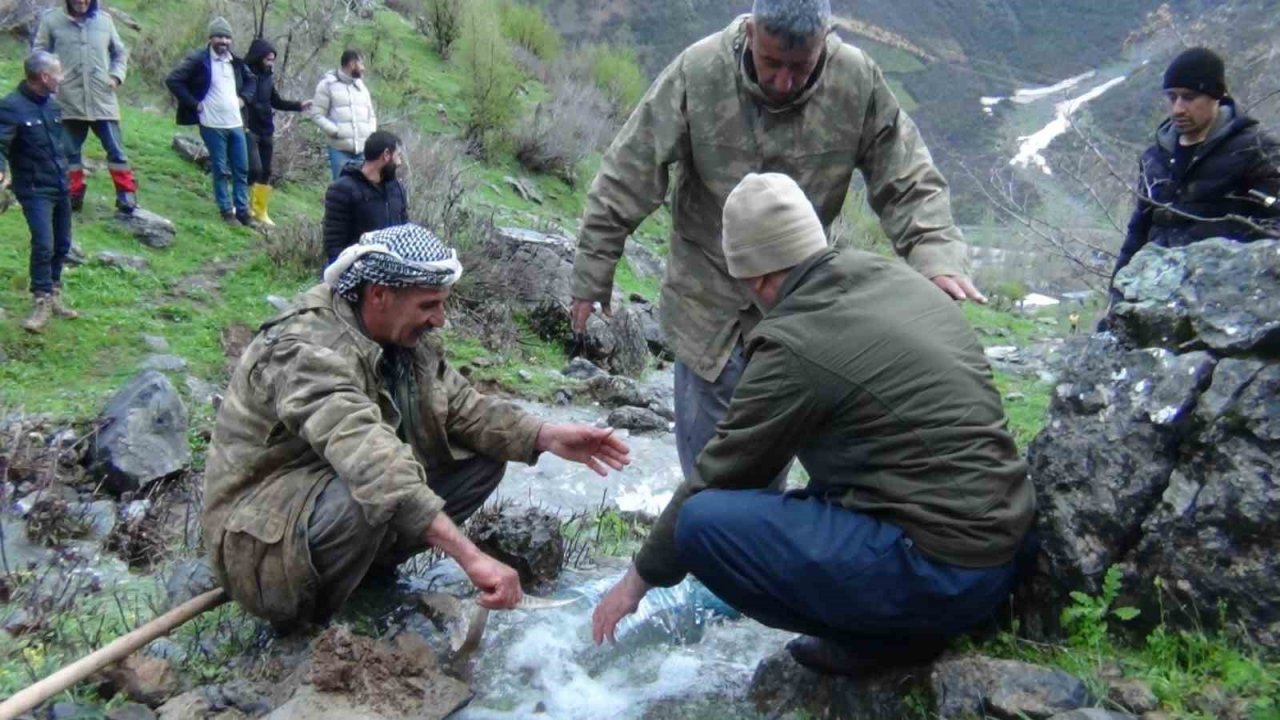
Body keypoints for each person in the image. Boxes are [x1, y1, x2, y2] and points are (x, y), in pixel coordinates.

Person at [591, 174, 1034, 677]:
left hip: (942, 574)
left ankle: (880, 642)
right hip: (1005, 548)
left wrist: (636, 581)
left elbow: (720, 475)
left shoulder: (794, 343)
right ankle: (903, 619)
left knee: (704, 524)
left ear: (755, 278)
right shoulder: (896, 280)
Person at [569, 0, 983, 485]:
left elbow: (908, 177)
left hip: (804, 309)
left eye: (800, 66)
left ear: (825, 40)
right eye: (772, 63)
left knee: (821, 475)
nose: (784, 82)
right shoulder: (700, 71)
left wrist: (935, 255)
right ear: (751, 30)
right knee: (714, 480)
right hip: (711, 305)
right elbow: (629, 171)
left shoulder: (856, 80)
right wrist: (593, 269)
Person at [203, 224, 631, 628]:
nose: (440, 319)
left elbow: (465, 408)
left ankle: (365, 570)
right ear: (379, 295)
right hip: (256, 540)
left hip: (320, 504)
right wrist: (469, 556)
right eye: (429, 305)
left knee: (483, 455)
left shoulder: (403, 339)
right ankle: (313, 609)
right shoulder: (308, 350)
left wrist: (546, 435)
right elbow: (370, 459)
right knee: (372, 488)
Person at [1112, 47, 1280, 290]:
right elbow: (1138, 232)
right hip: (1156, 293)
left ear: (1215, 96)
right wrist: (1117, 293)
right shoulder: (1155, 158)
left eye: (1189, 97)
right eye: (1172, 97)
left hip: (1226, 295)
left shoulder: (1255, 150)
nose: (1178, 108)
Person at [0, 51, 81, 333]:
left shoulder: (52, 106)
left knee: (62, 243)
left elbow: (60, 146)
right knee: (44, 243)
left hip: (59, 184)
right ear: (45, 77)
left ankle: (55, 292)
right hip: (34, 188)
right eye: (58, 73)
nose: (62, 77)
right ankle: (41, 299)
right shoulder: (10, 107)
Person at [34, 0, 137, 213]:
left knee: (116, 150)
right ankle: (73, 194)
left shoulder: (105, 21)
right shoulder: (51, 20)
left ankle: (126, 194)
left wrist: (116, 77)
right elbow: (39, 54)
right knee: (68, 152)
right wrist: (49, 80)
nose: (81, 1)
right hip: (67, 98)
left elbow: (120, 54)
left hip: (102, 99)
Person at [165, 17, 256, 226]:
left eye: (226, 37)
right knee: (220, 168)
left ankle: (243, 211)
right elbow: (173, 80)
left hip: (235, 122)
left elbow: (252, 81)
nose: (223, 41)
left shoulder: (236, 62)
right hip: (212, 123)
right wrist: (193, 103)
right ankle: (226, 211)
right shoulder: (199, 59)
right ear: (210, 38)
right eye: (219, 36)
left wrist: (244, 99)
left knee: (242, 168)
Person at [242, 37, 311, 227]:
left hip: (266, 129)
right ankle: (242, 205)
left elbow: (276, 101)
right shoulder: (244, 74)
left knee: (266, 171)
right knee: (253, 168)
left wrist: (298, 106)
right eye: (268, 59)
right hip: (248, 127)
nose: (271, 63)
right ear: (258, 57)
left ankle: (260, 210)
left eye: (273, 59)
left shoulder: (268, 77)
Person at [321, 130, 407, 264]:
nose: (399, 162)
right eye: (398, 156)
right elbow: (334, 243)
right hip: (355, 266)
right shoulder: (342, 189)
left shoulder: (396, 188)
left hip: (394, 265)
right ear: (386, 155)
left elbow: (405, 230)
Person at [310, 49, 376, 181]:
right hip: (339, 151)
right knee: (341, 191)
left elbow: (371, 115)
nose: (363, 68)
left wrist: (371, 134)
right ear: (352, 64)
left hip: (363, 152)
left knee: (364, 192)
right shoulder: (327, 85)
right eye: (361, 64)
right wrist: (335, 131)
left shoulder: (362, 87)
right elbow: (316, 114)